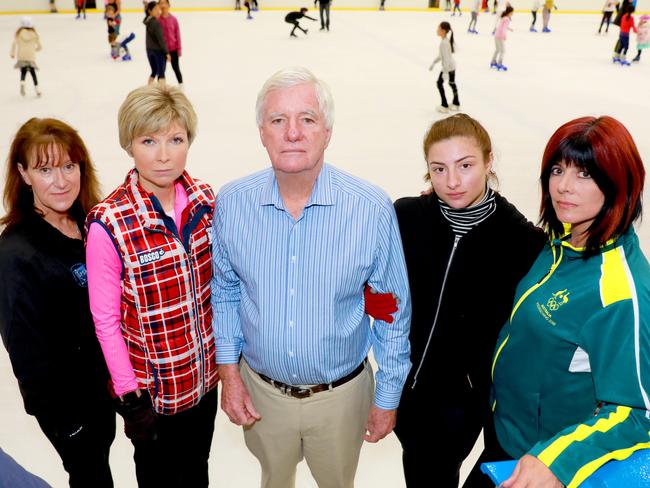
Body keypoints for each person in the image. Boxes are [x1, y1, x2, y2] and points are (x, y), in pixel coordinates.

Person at [211, 66, 412, 488]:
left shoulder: (370, 209)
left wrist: (388, 396)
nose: (293, 133)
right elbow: (227, 291)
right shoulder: (232, 204)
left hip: (340, 400)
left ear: (328, 131)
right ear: (261, 132)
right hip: (261, 394)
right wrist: (229, 376)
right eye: (278, 120)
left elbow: (388, 310)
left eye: (307, 119)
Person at [382, 114, 545, 488]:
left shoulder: (523, 242)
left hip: (471, 402)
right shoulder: (406, 217)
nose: (451, 181)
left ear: (489, 162)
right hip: (410, 397)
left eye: (465, 166)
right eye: (438, 169)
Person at [489, 115, 650, 488]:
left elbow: (636, 413)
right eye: (558, 169)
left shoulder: (620, 293)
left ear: (618, 183)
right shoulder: (565, 238)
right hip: (509, 430)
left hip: (544, 460)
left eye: (585, 174)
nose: (563, 187)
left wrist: (556, 462)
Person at [85, 85, 219, 488]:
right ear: (129, 144)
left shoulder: (205, 201)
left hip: (203, 382)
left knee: (197, 473)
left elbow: (222, 289)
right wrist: (131, 398)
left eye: (175, 140)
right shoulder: (109, 222)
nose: (163, 155)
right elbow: (105, 320)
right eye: (149, 140)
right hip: (154, 397)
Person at [0, 117, 116, 487]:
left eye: (69, 166)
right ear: (24, 173)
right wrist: (68, 424)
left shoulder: (90, 222)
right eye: (45, 169)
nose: (61, 180)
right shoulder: (16, 254)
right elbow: (26, 353)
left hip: (103, 390)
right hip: (71, 410)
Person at [429, 22, 460, 114]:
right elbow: (442, 56)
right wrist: (434, 62)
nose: (437, 30)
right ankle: (456, 103)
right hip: (451, 66)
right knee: (451, 83)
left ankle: (444, 105)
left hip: (449, 67)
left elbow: (446, 59)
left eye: (438, 28)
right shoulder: (445, 41)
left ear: (443, 31)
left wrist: (445, 72)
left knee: (439, 83)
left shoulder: (444, 43)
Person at [10, 16, 42, 97]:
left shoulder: (19, 33)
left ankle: (22, 82)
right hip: (31, 57)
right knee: (33, 73)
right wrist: (35, 50)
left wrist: (12, 53)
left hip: (22, 56)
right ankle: (37, 90)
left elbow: (14, 44)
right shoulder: (34, 34)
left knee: (23, 71)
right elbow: (39, 47)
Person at [143, 1, 170, 85]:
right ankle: (162, 92)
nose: (158, 11)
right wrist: (167, 52)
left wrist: (146, 7)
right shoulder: (156, 23)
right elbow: (161, 39)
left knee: (154, 71)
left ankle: (149, 89)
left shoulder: (147, 21)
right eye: (155, 9)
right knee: (161, 73)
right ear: (150, 11)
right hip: (158, 51)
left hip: (149, 50)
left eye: (159, 9)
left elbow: (146, 15)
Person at [158, 0, 183, 87]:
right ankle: (160, 89)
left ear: (168, 5)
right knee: (161, 70)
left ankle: (181, 87)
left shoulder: (174, 20)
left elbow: (178, 35)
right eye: (161, 3)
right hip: (162, 50)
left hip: (173, 49)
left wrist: (179, 49)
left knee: (176, 69)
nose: (163, 5)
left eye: (164, 3)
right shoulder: (157, 20)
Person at [490, 6, 513, 71]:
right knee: (503, 50)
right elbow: (503, 29)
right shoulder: (507, 19)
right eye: (512, 12)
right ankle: (500, 64)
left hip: (496, 35)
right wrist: (504, 36)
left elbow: (502, 26)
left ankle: (493, 61)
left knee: (497, 49)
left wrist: (509, 29)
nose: (512, 14)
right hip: (500, 36)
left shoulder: (504, 17)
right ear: (510, 12)